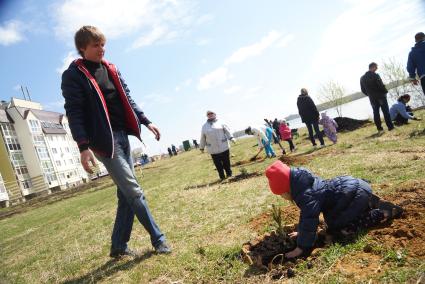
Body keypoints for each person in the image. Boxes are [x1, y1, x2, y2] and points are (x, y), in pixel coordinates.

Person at [61, 26, 171, 257]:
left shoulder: (111, 68)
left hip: (122, 135)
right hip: (104, 142)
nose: (101, 49)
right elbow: (75, 112)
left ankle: (118, 247)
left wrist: (146, 121)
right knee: (134, 191)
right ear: (83, 48)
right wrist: (83, 147)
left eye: (102, 44)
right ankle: (158, 239)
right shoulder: (73, 75)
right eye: (95, 45)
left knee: (125, 194)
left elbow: (127, 97)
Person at [265, 160, 403, 258]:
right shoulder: (304, 183)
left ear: (286, 189)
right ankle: (368, 201)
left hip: (353, 195)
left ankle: (380, 213)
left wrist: (301, 247)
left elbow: (309, 218)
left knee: (339, 228)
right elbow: (306, 215)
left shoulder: (305, 195)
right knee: (333, 219)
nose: (282, 197)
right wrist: (301, 232)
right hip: (354, 188)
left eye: (281, 194)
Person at [199, 111, 235, 180]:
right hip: (213, 149)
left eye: (211, 113)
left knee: (226, 162)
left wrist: (231, 138)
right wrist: (201, 147)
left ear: (215, 114)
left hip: (224, 147)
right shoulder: (204, 126)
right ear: (207, 116)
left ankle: (229, 174)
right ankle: (222, 177)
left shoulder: (221, 122)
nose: (210, 115)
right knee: (218, 165)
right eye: (208, 114)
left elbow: (227, 131)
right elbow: (202, 137)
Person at [360, 62, 394, 132]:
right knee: (385, 111)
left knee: (376, 112)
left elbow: (363, 90)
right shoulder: (375, 75)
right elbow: (380, 85)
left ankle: (379, 128)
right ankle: (390, 127)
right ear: (372, 67)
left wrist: (369, 95)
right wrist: (385, 92)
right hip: (381, 96)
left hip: (372, 98)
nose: (377, 68)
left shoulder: (362, 78)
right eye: (376, 67)